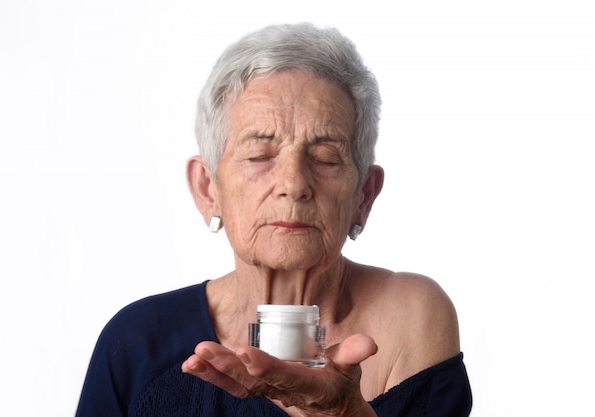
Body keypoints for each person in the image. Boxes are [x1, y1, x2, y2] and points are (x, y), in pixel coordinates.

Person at [75, 23, 472, 417]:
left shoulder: (411, 318)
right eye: (260, 155)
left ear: (363, 195)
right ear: (207, 187)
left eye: (325, 158)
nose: (293, 184)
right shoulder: (137, 342)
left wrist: (341, 413)